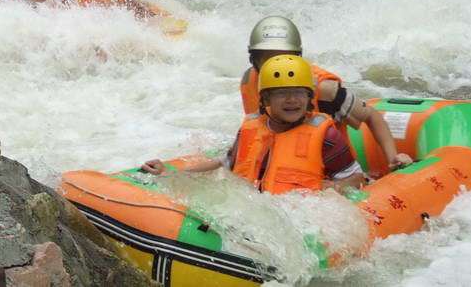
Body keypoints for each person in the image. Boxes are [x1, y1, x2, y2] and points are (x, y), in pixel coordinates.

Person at [143, 55, 365, 194]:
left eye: (299, 93)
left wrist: (334, 188)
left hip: (300, 214)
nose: (292, 100)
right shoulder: (251, 128)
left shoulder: (326, 136)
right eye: (282, 94)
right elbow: (224, 163)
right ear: (265, 100)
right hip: (252, 209)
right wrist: (170, 173)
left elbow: (356, 178)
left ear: (309, 98)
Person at [240, 16, 412, 171]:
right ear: (254, 60)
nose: (277, 65)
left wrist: (392, 157)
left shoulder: (324, 89)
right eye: (267, 59)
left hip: (330, 170)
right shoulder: (249, 80)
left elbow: (371, 116)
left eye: (285, 57)